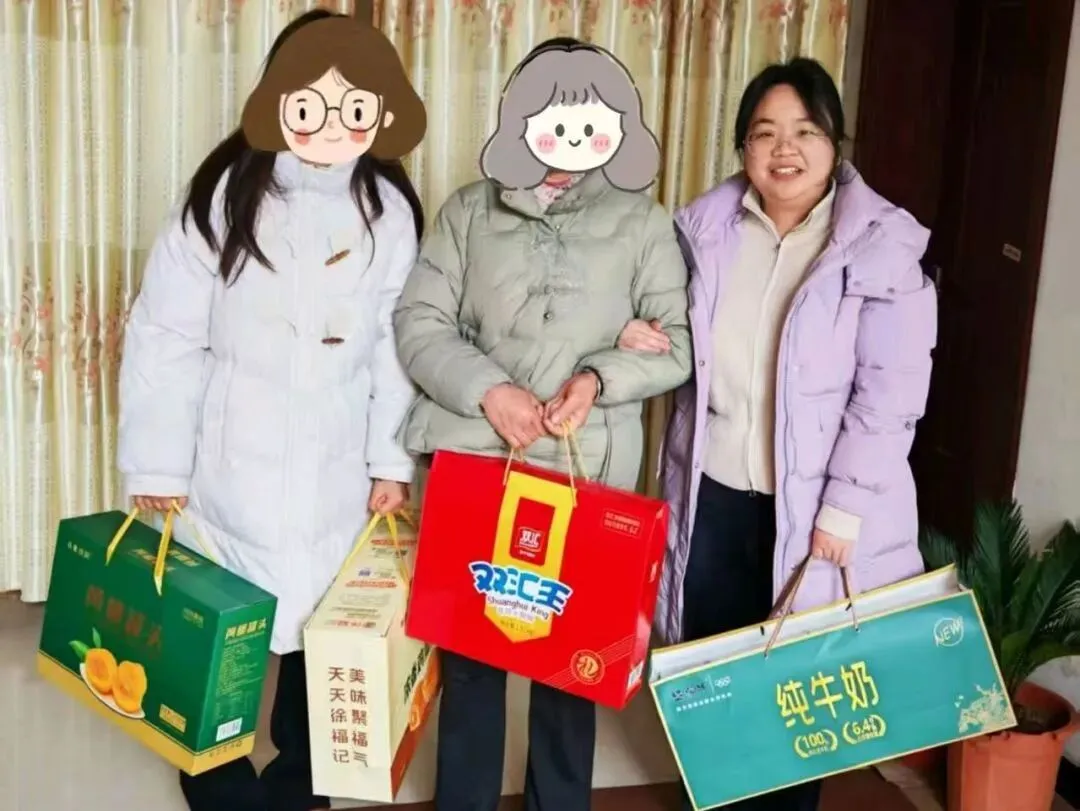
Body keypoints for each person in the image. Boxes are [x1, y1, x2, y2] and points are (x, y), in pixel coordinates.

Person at [116, 10, 426, 811]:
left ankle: (297, 793)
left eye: (353, 104)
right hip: (228, 473)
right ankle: (224, 795)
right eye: (311, 100)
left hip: (336, 479)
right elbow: (165, 334)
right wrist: (158, 464)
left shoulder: (388, 211)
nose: (330, 122)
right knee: (209, 660)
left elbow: (396, 346)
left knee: (320, 660)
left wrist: (390, 461)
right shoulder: (223, 195)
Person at [621, 57, 936, 809]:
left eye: (804, 131)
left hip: (818, 515)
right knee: (713, 684)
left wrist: (844, 510)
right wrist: (640, 336)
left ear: (835, 142)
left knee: (799, 700)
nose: (784, 149)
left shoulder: (880, 245)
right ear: (742, 148)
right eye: (764, 133)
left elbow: (890, 393)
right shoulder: (704, 232)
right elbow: (680, 341)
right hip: (712, 495)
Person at [392, 37, 692, 811]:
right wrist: (488, 390)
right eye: (552, 118)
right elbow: (419, 321)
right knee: (471, 664)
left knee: (573, 667)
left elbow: (677, 345)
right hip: (475, 466)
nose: (569, 140)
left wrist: (598, 376)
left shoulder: (643, 221)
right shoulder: (469, 210)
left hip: (586, 469)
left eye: (590, 121)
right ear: (519, 119)